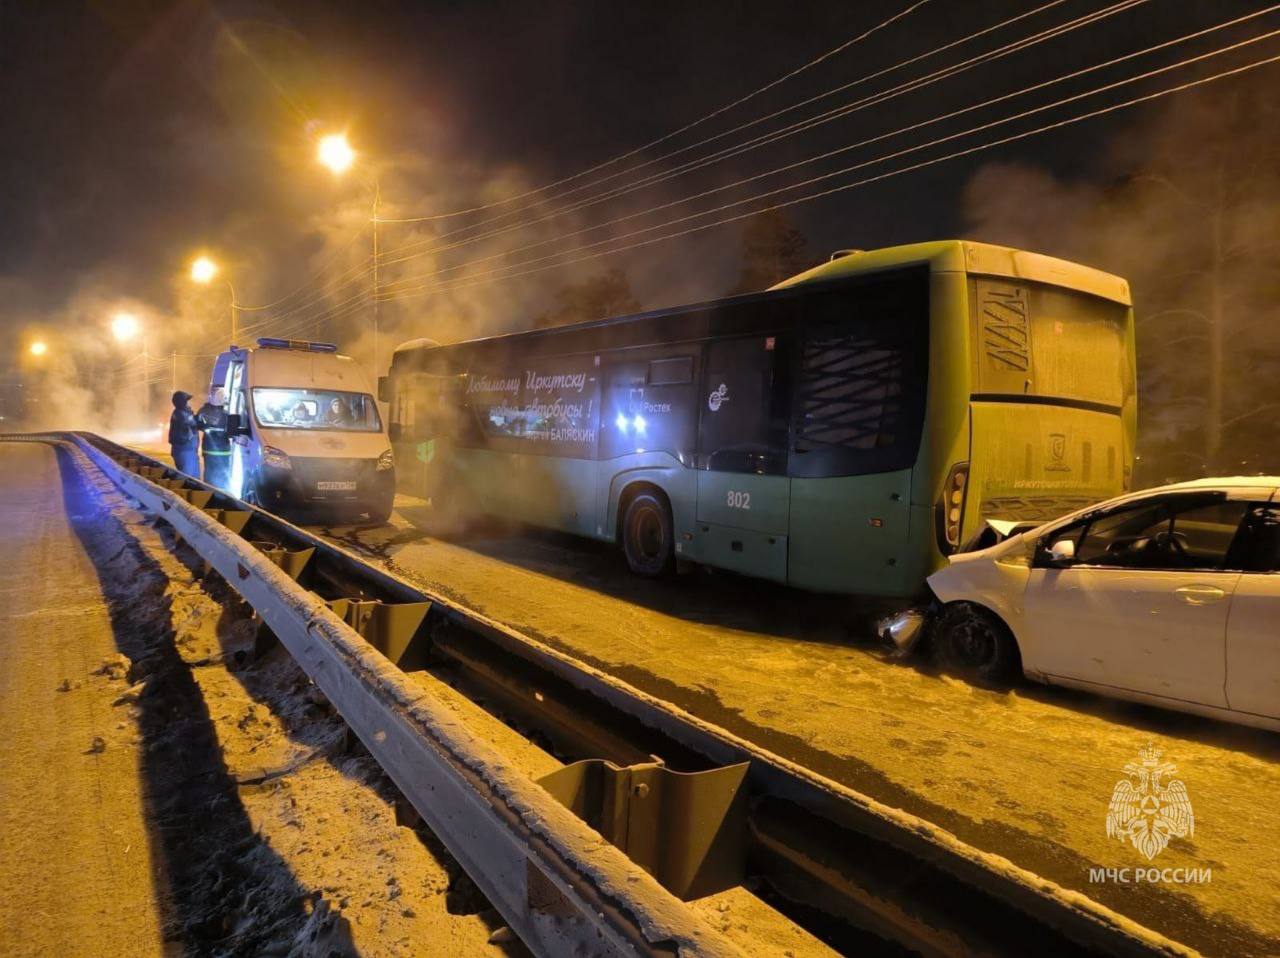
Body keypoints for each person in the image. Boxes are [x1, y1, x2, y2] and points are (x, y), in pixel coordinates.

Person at [197, 386, 232, 491]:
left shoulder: (203, 411)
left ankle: (208, 495)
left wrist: (205, 427)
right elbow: (232, 433)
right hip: (223, 451)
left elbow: (196, 424)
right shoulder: (226, 414)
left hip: (209, 450)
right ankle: (222, 497)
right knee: (223, 477)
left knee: (210, 477)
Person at [168, 391, 200, 477]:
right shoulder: (182, 414)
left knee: (189, 476)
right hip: (186, 450)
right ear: (183, 403)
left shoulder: (178, 413)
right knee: (190, 479)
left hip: (183, 450)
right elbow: (194, 424)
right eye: (187, 401)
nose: (188, 404)